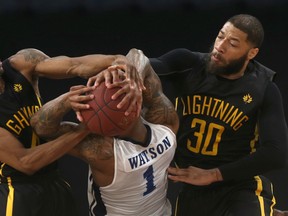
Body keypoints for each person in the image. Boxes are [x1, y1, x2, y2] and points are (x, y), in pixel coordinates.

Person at [134, 14, 287, 215]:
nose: (220, 46)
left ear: (251, 53)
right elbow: (141, 66)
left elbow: (276, 153)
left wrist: (214, 174)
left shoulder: (263, 88)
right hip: (192, 189)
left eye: (232, 43)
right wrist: (124, 64)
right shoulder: (188, 63)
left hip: (240, 186)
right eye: (220, 36)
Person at [30, 49, 179, 216]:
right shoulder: (166, 126)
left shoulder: (104, 152)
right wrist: (132, 76)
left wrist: (67, 100)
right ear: (138, 101)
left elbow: (40, 126)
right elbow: (138, 55)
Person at [0, 48, 143, 216]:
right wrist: (85, 128)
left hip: (55, 182)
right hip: (17, 191)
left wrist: (116, 62)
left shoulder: (20, 63)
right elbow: (26, 162)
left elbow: (74, 64)